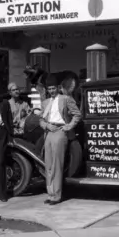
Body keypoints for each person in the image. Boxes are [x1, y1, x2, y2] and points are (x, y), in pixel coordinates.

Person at [39, 75, 81, 205]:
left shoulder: (66, 99)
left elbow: (77, 114)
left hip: (60, 131)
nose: (51, 91)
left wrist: (68, 126)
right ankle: (50, 193)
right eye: (49, 89)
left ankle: (56, 195)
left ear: (57, 88)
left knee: (57, 164)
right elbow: (40, 119)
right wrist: (46, 125)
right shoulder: (45, 102)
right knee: (48, 164)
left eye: (53, 88)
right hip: (49, 132)